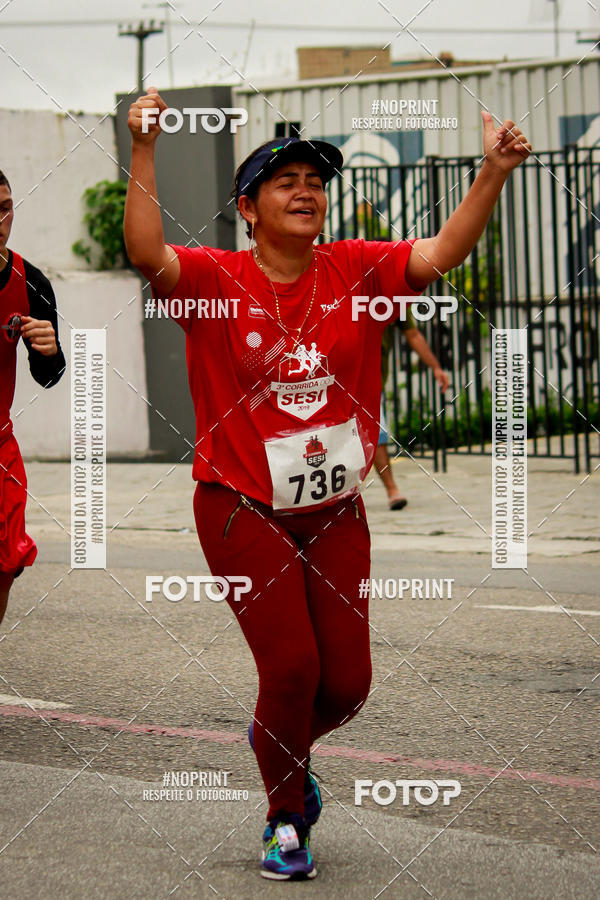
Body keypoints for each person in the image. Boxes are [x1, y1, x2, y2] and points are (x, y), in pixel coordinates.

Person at [124, 87, 530, 881]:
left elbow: (442, 251)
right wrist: (143, 147)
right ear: (248, 209)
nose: (306, 190)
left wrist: (494, 171)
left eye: (315, 180)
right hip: (241, 506)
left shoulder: (356, 268)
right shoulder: (214, 279)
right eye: (286, 182)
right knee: (291, 671)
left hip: (337, 509)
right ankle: (285, 819)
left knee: (346, 685)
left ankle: (277, 743)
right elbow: (146, 252)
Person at [0, 170, 66, 625]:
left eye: (5, 208)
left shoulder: (31, 281)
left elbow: (49, 376)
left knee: (7, 564)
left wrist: (50, 351)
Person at [375, 319, 449, 510]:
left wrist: (435, 366)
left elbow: (413, 334)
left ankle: (391, 489)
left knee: (376, 434)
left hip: (372, 381)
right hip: (337, 377)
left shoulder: (394, 301)